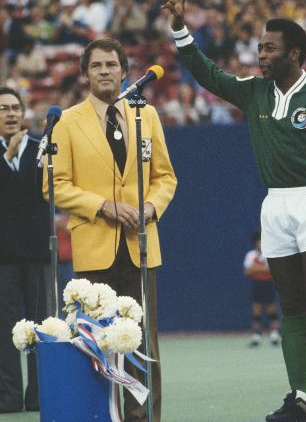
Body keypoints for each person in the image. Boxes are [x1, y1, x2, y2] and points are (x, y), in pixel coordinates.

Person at [162, 0, 306, 422]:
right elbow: (208, 75)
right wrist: (180, 29)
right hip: (276, 206)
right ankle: (300, 396)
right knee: (289, 304)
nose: (260, 54)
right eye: (259, 47)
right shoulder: (254, 92)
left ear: (295, 54)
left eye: (269, 49)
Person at [42, 38, 177, 422]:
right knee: (96, 342)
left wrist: (150, 207)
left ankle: (144, 417)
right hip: (93, 247)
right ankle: (99, 415)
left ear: (124, 71)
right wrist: (102, 206)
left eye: (112, 65)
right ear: (85, 75)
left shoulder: (145, 115)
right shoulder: (67, 121)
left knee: (143, 342)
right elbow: (54, 184)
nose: (105, 71)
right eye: (97, 65)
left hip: (141, 246)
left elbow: (165, 176)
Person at [0, 86, 50, 413]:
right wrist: (6, 158)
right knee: (4, 328)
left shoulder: (42, 150)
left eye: (15, 108)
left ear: (24, 113)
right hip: (2, 255)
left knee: (39, 326)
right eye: (3, 109)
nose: (11, 114)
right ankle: (8, 397)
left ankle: (38, 396)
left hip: (36, 252)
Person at [243, 229, 280, 347]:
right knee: (256, 309)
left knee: (271, 309)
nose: (261, 244)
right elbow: (247, 270)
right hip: (257, 285)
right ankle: (256, 336)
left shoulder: (271, 254)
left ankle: (274, 335)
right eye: (259, 241)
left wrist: (256, 268)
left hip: (269, 284)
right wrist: (263, 269)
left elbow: (273, 270)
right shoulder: (250, 255)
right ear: (255, 242)